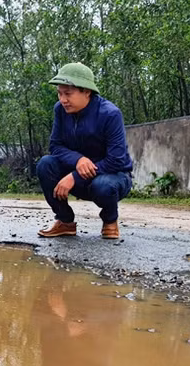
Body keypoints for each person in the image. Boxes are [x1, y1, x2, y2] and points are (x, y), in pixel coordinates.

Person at [36, 63, 133, 239]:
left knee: (103, 186)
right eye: (59, 93)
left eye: (68, 94)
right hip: (77, 173)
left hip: (112, 176)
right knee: (45, 164)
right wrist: (78, 160)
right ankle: (65, 221)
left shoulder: (110, 114)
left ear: (86, 91)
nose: (62, 99)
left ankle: (110, 220)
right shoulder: (60, 110)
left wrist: (75, 176)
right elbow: (55, 146)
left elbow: (117, 160)